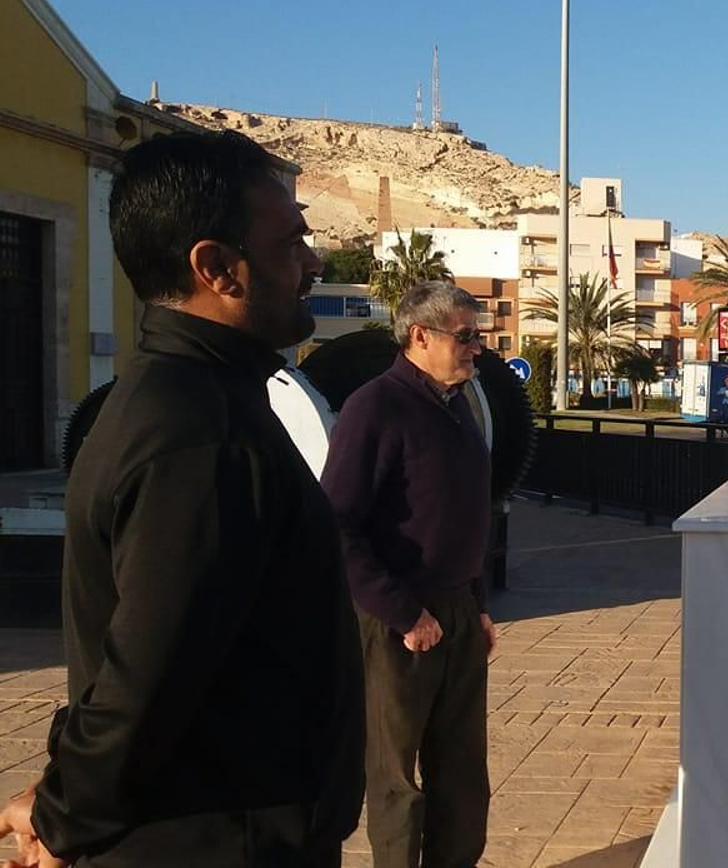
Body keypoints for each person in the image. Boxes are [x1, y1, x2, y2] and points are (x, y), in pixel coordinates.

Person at [0, 131, 364, 867]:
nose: (313, 261)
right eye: (292, 240)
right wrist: (63, 816)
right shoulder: (203, 436)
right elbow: (146, 679)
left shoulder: (189, 400)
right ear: (217, 268)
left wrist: (55, 796)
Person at [321, 281, 495, 868]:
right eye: (466, 336)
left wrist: (479, 605)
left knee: (464, 773)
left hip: (458, 613)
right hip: (398, 621)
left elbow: (464, 514)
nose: (478, 348)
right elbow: (337, 524)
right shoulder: (376, 406)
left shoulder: (459, 403)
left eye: (480, 336)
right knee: (397, 781)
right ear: (420, 336)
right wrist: (404, 614)